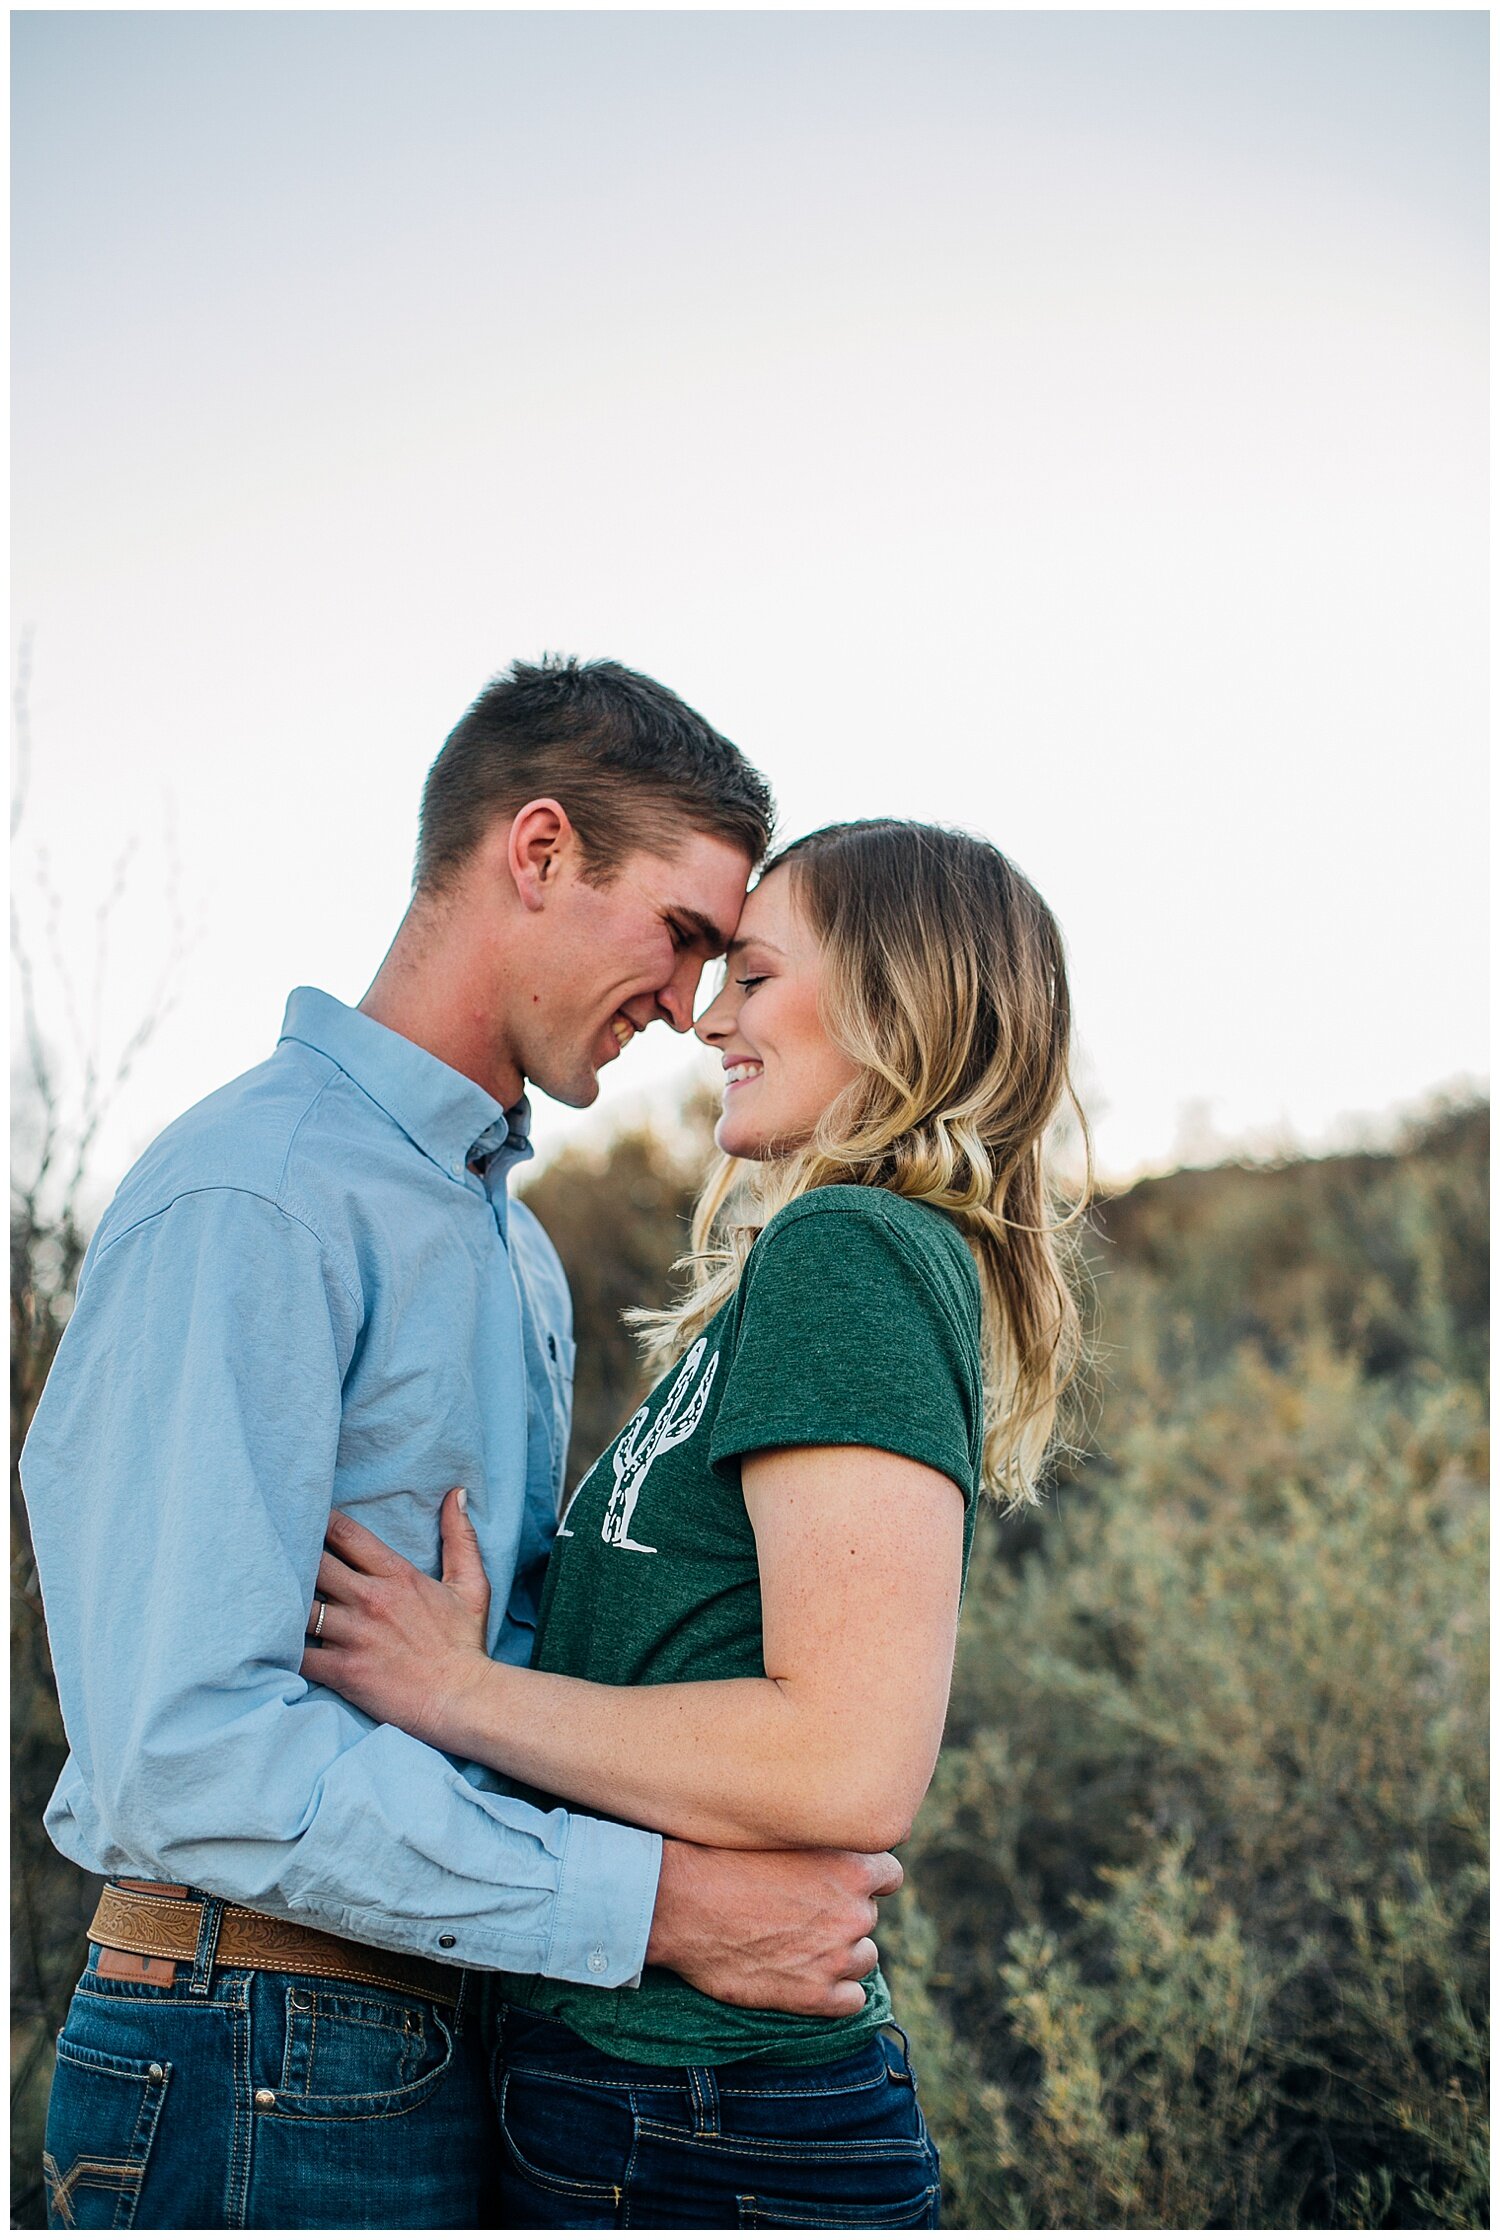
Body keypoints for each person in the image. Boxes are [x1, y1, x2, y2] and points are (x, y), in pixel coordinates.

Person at [21, 658, 903, 2234]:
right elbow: (187, 1753)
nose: (698, 1008)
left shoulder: (510, 1247)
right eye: (686, 934)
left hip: (441, 2032)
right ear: (541, 852)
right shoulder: (258, 1197)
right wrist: (659, 1907)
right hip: (255, 2046)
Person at [304, 817, 1088, 2229]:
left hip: (707, 2121)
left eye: (756, 978)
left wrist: (461, 1692)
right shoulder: (824, 1257)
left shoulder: (850, 1254)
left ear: (895, 1000)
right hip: (662, 2102)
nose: (706, 1016)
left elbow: (847, 1758)